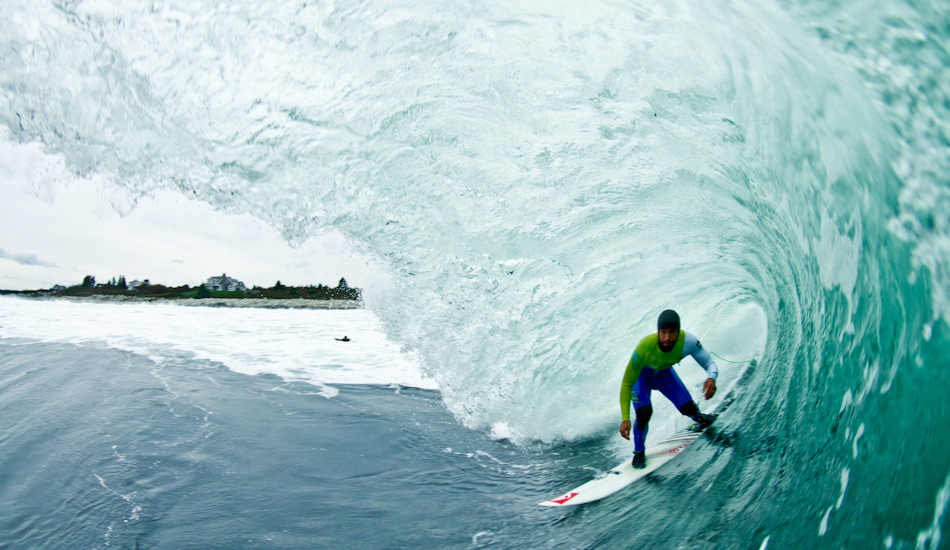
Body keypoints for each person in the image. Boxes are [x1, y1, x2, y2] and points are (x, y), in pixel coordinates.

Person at [619, 309, 718, 469]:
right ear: (658, 332)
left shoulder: (688, 342)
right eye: (663, 332)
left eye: (672, 332)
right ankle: (638, 452)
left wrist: (711, 378)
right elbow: (626, 384)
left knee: (688, 408)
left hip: (665, 377)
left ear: (679, 331)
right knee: (644, 413)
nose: (667, 338)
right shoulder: (644, 347)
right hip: (641, 380)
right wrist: (625, 419)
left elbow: (709, 363)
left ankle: (699, 418)